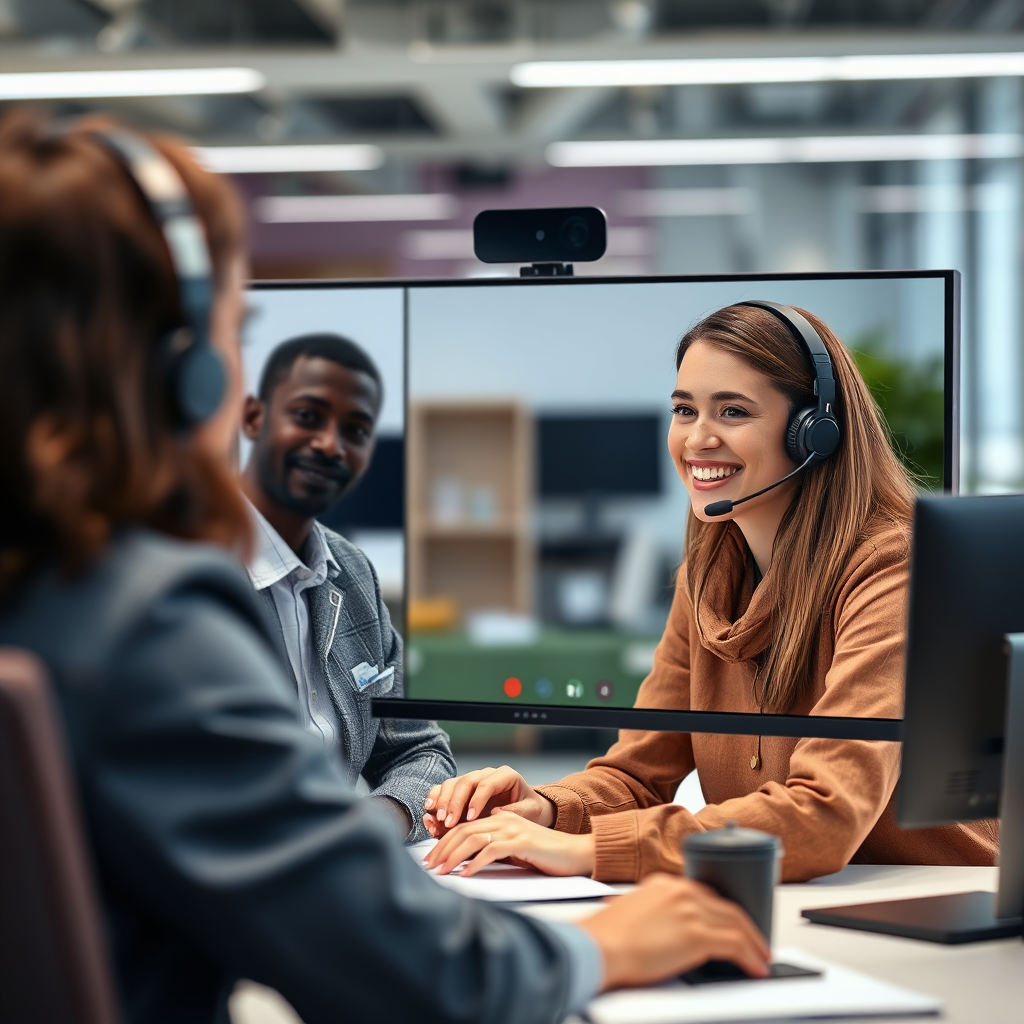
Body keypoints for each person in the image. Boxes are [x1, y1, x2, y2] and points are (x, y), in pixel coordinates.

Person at [0, 111, 770, 1024]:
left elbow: (412, 754)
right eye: (232, 326)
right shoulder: (146, 619)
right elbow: (412, 971)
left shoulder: (50, 586)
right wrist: (610, 943)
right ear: (186, 373)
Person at [422, 302, 1000, 884]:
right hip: (798, 901)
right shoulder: (707, 577)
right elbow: (638, 777)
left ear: (813, 434)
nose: (698, 438)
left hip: (939, 901)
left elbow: (824, 815)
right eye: (683, 409)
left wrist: (587, 852)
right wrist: (545, 810)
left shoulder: (894, 569)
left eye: (733, 411)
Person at [240, 332, 453, 841]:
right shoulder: (186, 570)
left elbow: (419, 750)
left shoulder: (351, 572)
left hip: (344, 872)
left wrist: (378, 820)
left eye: (355, 430)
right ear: (253, 417)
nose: (331, 445)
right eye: (308, 416)